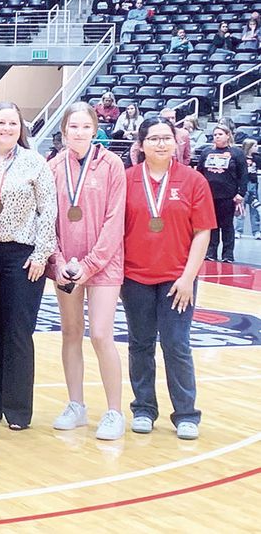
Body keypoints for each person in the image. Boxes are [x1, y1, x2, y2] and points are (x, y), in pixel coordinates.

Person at [122, 116, 214, 440]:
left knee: (176, 344)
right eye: (153, 138)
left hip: (178, 280)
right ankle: (144, 408)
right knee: (140, 344)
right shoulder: (128, 179)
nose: (161, 143)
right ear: (141, 144)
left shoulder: (193, 181)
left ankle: (186, 414)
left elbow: (203, 232)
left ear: (176, 143)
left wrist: (189, 278)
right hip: (134, 278)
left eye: (166, 138)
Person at [0, 102, 58, 435]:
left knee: (18, 332)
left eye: (12, 123)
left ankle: (18, 408)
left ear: (20, 128)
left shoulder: (35, 163)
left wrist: (42, 254)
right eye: (0, 122)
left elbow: (48, 212)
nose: (6, 128)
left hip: (22, 255)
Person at [47, 102, 127, 437]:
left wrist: (91, 264)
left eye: (85, 127)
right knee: (70, 333)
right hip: (66, 265)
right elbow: (46, 220)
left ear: (95, 130)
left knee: (100, 334)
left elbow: (114, 220)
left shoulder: (112, 165)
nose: (78, 133)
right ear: (64, 132)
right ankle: (76, 405)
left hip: (104, 264)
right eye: (72, 127)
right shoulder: (52, 167)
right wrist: (60, 261)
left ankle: (114, 411)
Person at [197, 124, 248, 262]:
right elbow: (199, 173)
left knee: (226, 225)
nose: (217, 137)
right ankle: (211, 252)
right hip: (209, 196)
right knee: (211, 225)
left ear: (227, 135)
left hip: (227, 196)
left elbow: (243, 175)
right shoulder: (206, 152)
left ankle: (227, 254)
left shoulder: (237, 153)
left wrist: (241, 193)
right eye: (215, 135)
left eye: (220, 134)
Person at [234, 139, 259, 238]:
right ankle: (238, 230)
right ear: (249, 147)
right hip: (243, 184)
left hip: (253, 184)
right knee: (241, 207)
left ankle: (256, 230)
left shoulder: (257, 158)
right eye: (255, 146)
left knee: (254, 208)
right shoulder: (241, 158)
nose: (257, 148)